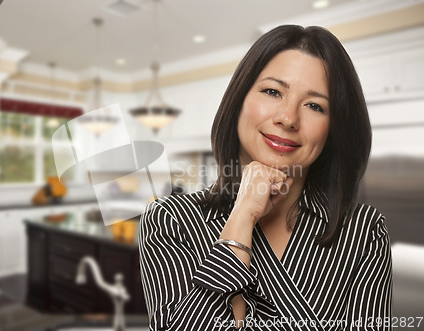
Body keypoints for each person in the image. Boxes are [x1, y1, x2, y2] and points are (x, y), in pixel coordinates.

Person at [138, 25, 392, 331]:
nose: (288, 118)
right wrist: (243, 217)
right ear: (240, 100)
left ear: (333, 129)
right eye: (272, 91)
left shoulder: (364, 231)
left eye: (315, 105)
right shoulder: (169, 220)